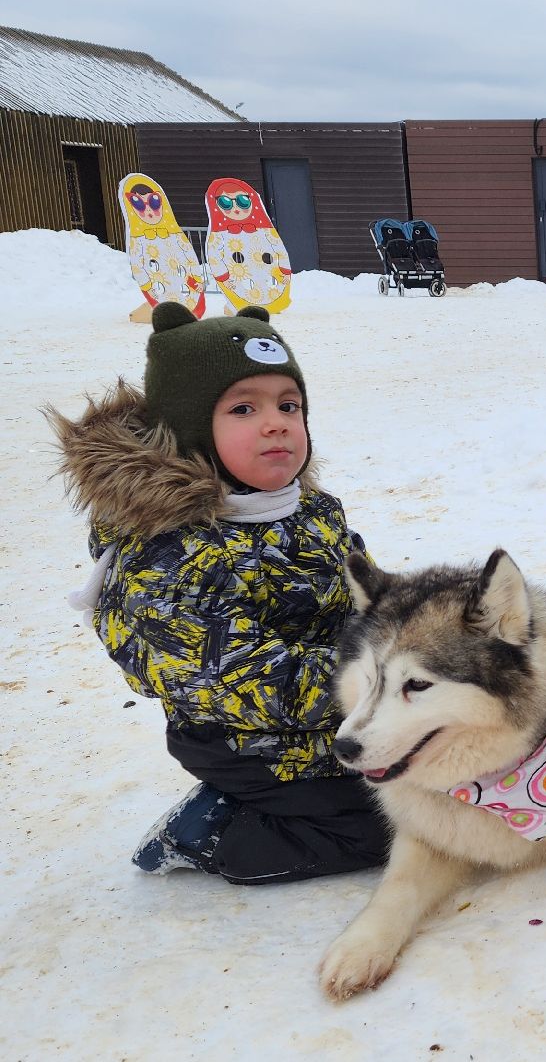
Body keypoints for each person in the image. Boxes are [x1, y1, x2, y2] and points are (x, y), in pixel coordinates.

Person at [47, 302, 389, 884]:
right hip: (244, 740)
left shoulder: (312, 510)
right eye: (243, 408)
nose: (277, 422)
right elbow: (236, 676)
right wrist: (373, 683)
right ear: (189, 428)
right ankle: (214, 832)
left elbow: (371, 598)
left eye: (289, 405)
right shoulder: (170, 555)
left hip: (346, 706)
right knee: (383, 828)